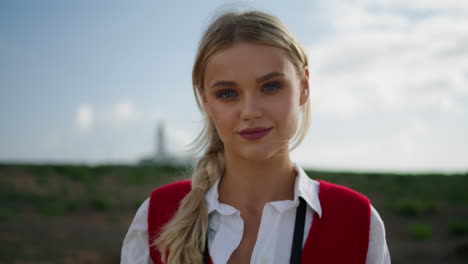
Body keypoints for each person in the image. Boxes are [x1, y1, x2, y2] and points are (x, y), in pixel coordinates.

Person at [121, 9, 390, 264]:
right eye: (227, 93)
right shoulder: (156, 217)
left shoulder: (357, 220)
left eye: (271, 87)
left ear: (304, 86)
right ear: (206, 102)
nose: (250, 112)